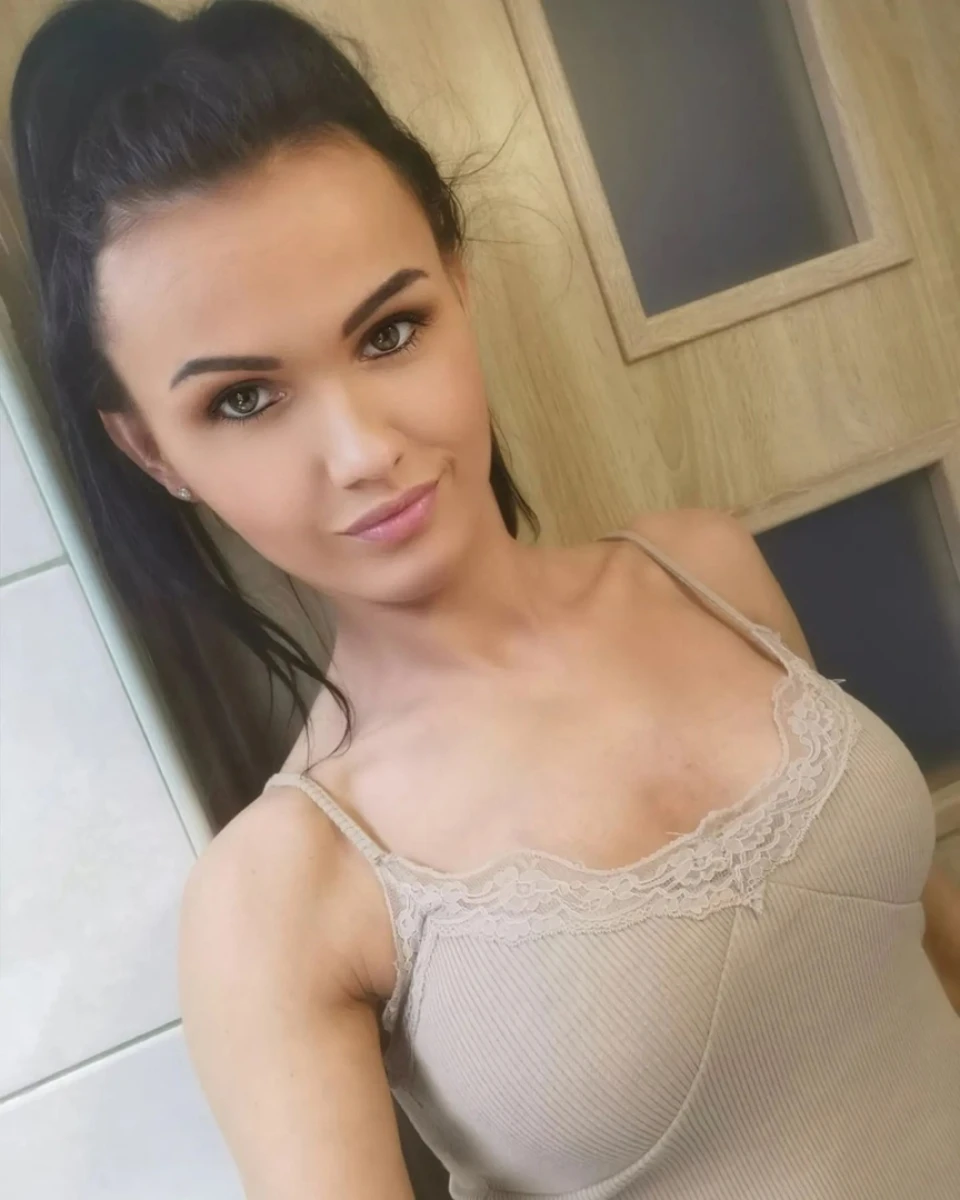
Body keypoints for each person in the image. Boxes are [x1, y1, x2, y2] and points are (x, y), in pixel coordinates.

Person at [11, 2, 960, 1196]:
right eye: (244, 400)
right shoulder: (281, 896)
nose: (363, 450)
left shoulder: (706, 572)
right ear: (152, 450)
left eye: (390, 331)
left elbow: (919, 943)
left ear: (459, 282)